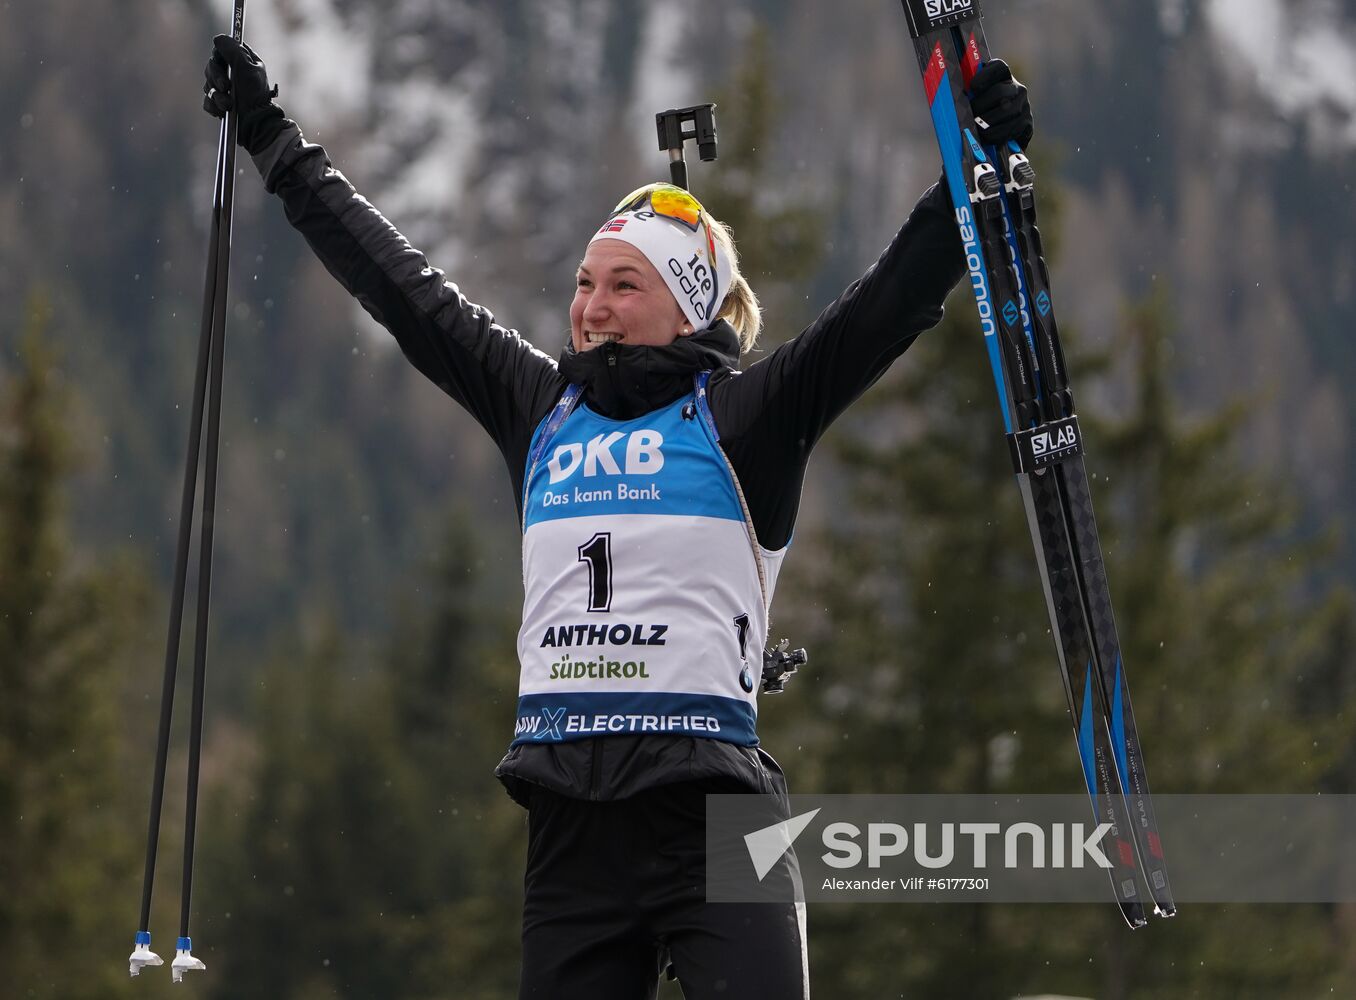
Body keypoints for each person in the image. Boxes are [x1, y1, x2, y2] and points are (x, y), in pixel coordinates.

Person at [204, 33, 1032, 1000]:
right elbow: (398, 285)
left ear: (686, 309)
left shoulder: (746, 418)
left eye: (623, 284)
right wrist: (268, 134)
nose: (592, 308)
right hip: (573, 835)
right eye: (585, 283)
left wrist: (969, 167)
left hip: (720, 824)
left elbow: (885, 307)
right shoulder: (537, 407)